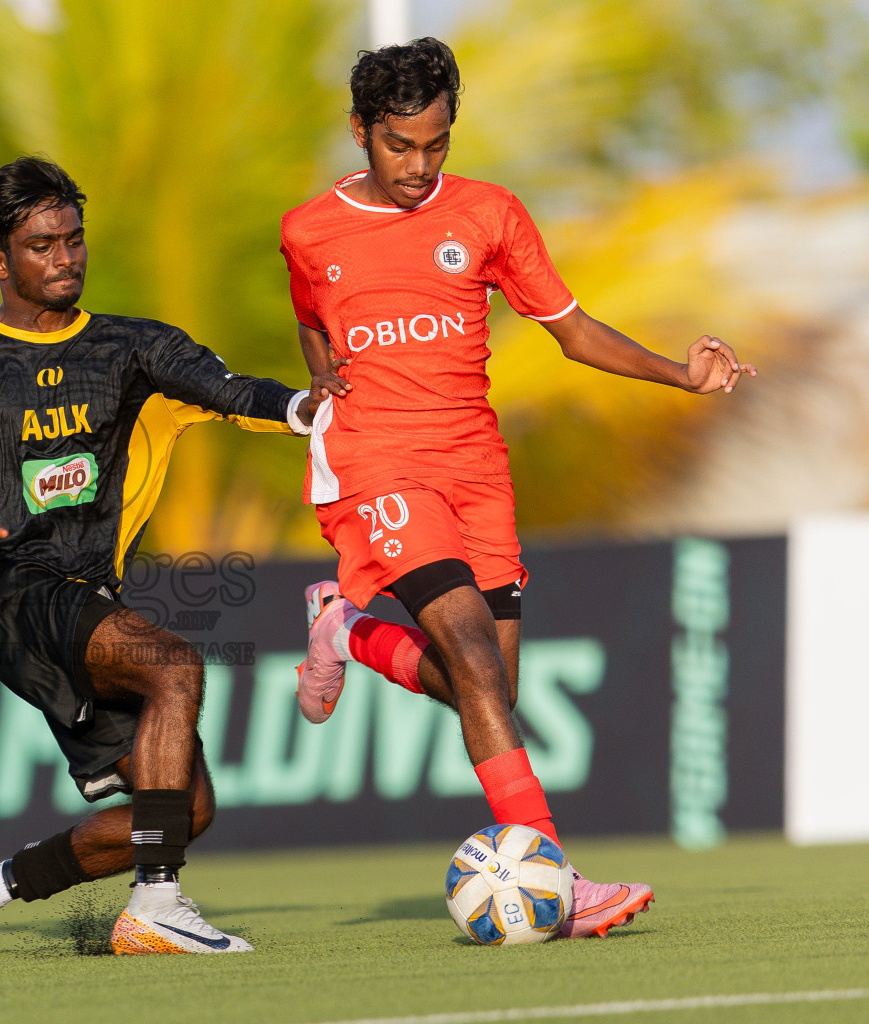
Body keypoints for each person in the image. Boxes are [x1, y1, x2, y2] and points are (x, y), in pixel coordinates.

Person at [280, 38, 755, 939]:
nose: (419, 166)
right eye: (399, 146)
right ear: (360, 131)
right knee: (469, 653)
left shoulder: (491, 214)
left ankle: (346, 629)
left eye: (436, 145)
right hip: (378, 461)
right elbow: (311, 317)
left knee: (489, 686)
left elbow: (572, 331)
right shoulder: (309, 228)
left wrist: (680, 374)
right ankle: (559, 880)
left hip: (474, 466)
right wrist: (320, 375)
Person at [0, 156, 341, 961]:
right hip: (11, 593)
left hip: (87, 596)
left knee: (184, 810)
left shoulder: (132, 348)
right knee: (174, 666)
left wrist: (307, 404)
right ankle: (157, 905)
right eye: (42, 246)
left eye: (73, 239)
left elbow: (234, 392)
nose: (65, 258)